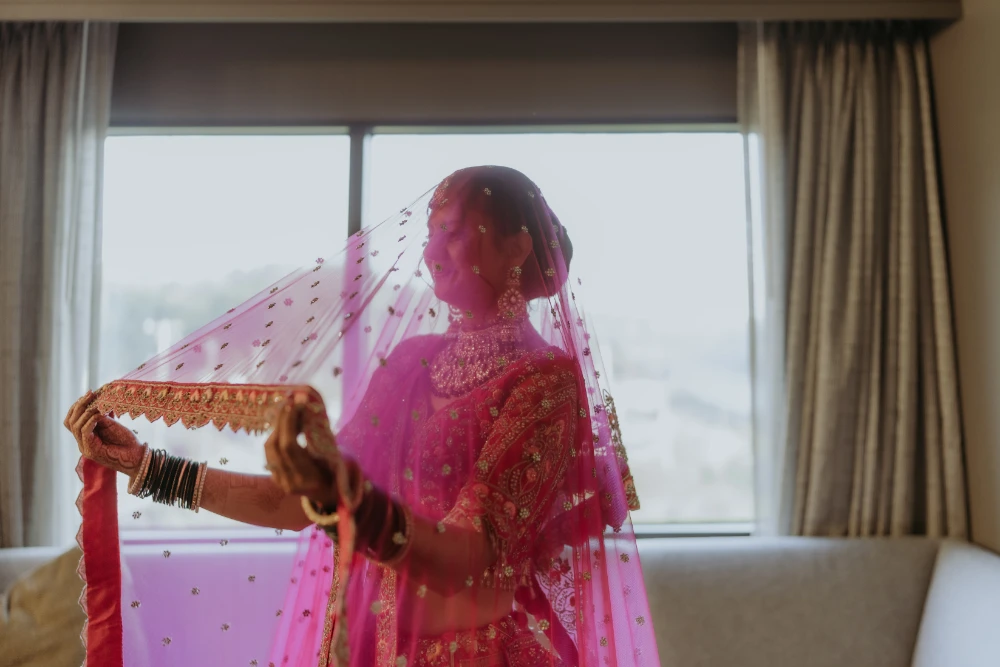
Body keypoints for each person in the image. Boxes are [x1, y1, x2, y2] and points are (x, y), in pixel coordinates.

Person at [65, 166, 657, 667]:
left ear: (518, 247)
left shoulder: (544, 380)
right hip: (373, 646)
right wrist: (149, 467)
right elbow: (298, 503)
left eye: (451, 234)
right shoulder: (412, 364)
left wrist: (352, 502)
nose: (430, 254)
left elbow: (474, 552)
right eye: (430, 235)